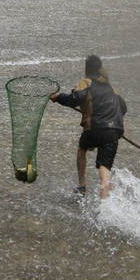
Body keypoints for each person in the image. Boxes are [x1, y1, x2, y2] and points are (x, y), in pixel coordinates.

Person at [51, 55, 127, 199]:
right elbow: (123, 108)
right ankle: (105, 201)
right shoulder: (112, 87)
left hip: (94, 128)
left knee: (82, 148)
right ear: (99, 69)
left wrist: (58, 97)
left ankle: (82, 186)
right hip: (114, 131)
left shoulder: (85, 82)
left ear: (86, 69)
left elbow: (75, 99)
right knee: (104, 167)